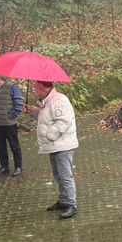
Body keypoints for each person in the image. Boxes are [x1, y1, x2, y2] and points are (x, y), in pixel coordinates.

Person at [24, 81, 78, 219]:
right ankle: (63, 200)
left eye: (36, 88)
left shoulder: (58, 101)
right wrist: (32, 110)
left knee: (65, 176)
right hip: (55, 145)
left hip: (62, 145)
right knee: (58, 174)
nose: (35, 91)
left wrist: (50, 135)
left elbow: (64, 121)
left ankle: (71, 204)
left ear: (43, 88)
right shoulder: (47, 101)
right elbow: (46, 117)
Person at [0, 74, 23, 177]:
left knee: (14, 146)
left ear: (0, 78)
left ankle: (18, 167)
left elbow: (18, 105)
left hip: (9, 124)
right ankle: (4, 166)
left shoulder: (12, 87)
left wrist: (10, 116)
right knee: (0, 147)